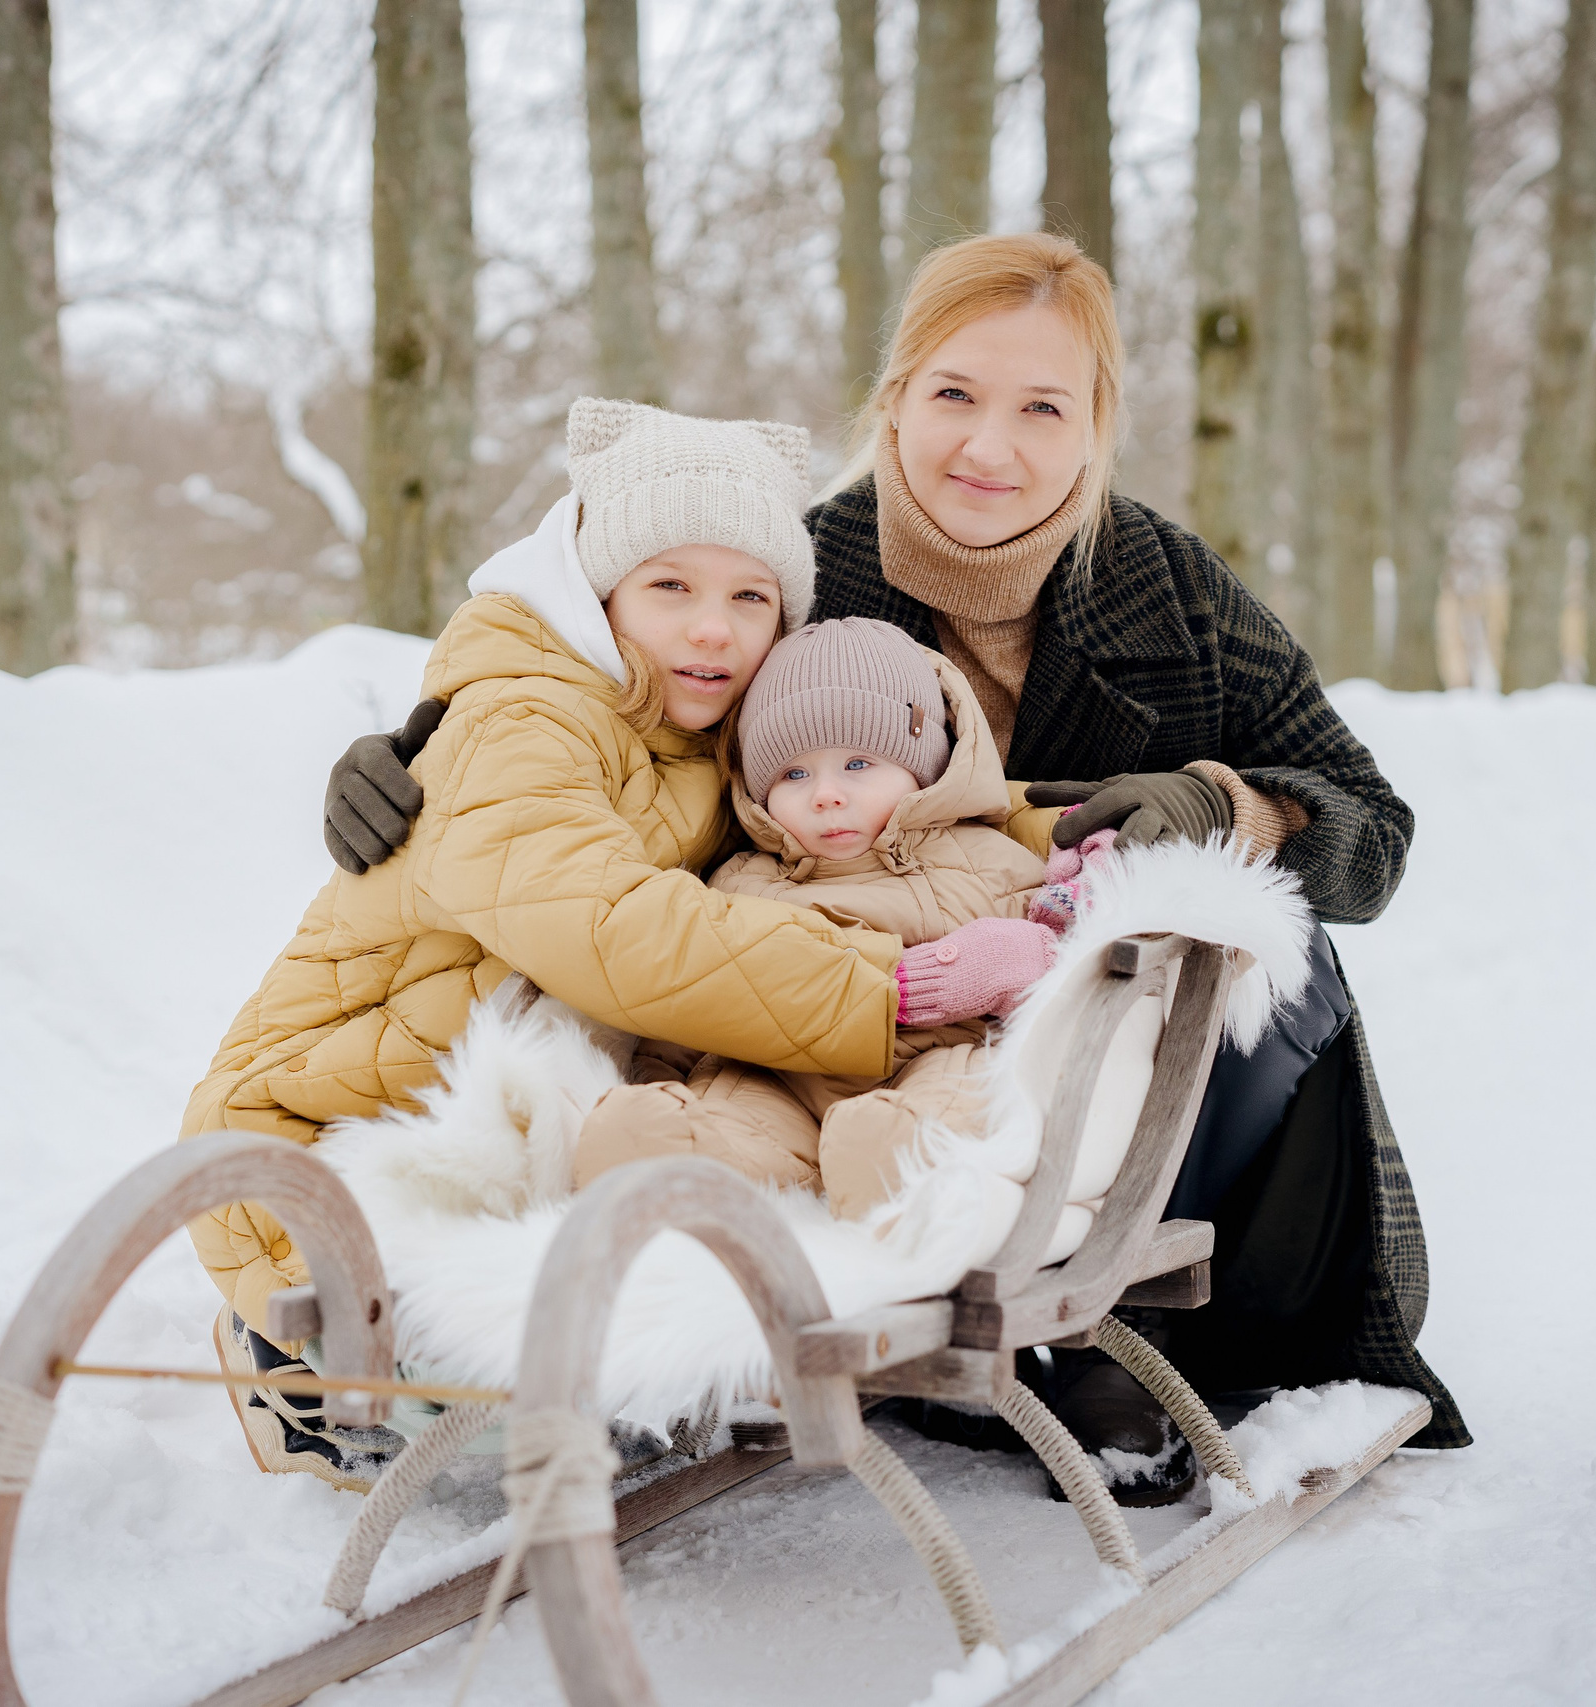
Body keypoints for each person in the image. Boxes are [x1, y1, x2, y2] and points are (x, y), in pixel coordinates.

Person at [321, 233, 1471, 1460]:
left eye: (1043, 407)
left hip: (1094, 1041)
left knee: (1248, 951)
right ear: (894, 400)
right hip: (860, 1021)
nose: (991, 447)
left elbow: (1373, 835)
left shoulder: (1171, 593)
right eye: (954, 396)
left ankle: (1105, 1317)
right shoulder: (805, 570)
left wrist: (1229, 809)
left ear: (1095, 427)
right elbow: (644, 701)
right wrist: (436, 746)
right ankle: (828, 1253)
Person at [183, 398, 1032, 1484]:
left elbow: (876, 810)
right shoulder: (524, 721)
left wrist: (1066, 834)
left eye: (749, 596)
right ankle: (288, 1368)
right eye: (669, 586)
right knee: (508, 1415)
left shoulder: (694, 723)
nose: (713, 628)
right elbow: (610, 928)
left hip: (529, 1100)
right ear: (595, 590)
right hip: (325, 1131)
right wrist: (890, 987)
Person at [571, 615, 1059, 1215]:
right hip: (777, 1072)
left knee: (958, 1094)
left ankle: (904, 1164)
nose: (826, 794)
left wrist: (1047, 943)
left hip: (935, 1056)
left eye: (858, 765)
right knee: (727, 1115)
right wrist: (658, 1068)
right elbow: (703, 985)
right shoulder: (741, 879)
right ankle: (668, 1166)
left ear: (926, 765)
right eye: (794, 774)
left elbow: (1063, 947)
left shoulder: (986, 859)